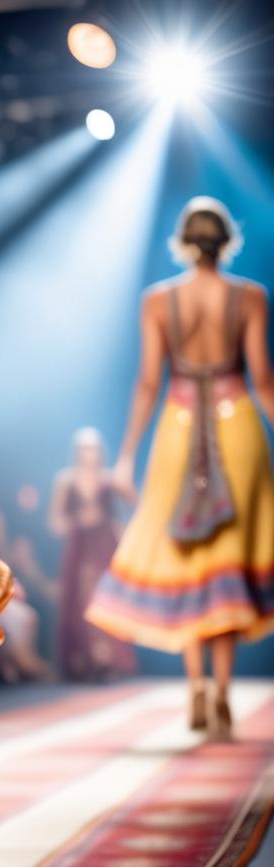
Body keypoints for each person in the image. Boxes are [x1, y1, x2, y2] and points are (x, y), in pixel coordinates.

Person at [86, 197, 274, 736]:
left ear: (184, 241)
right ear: (226, 241)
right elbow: (262, 379)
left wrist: (125, 458)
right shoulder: (250, 297)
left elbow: (149, 381)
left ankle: (194, 686)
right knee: (228, 565)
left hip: (180, 425)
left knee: (188, 559)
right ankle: (220, 692)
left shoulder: (159, 301)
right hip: (237, 426)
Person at [49, 428, 137, 681]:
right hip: (78, 549)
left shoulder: (110, 479)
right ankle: (84, 659)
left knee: (105, 597)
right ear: (77, 452)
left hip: (106, 546)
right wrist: (78, 520)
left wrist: (121, 527)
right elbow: (55, 521)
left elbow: (135, 503)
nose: (90, 454)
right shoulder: (65, 480)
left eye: (94, 448)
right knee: (80, 601)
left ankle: (106, 657)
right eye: (85, 448)